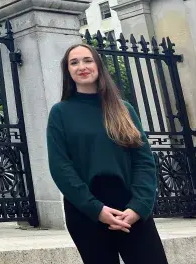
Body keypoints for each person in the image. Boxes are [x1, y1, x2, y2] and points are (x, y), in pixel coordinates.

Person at [46, 43, 167, 263]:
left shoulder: (123, 109)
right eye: (74, 62)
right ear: (68, 71)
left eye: (87, 60)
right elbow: (61, 167)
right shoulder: (60, 113)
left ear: (98, 66)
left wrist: (139, 207)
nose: (81, 66)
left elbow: (144, 161)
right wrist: (96, 209)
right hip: (86, 210)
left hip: (130, 206)